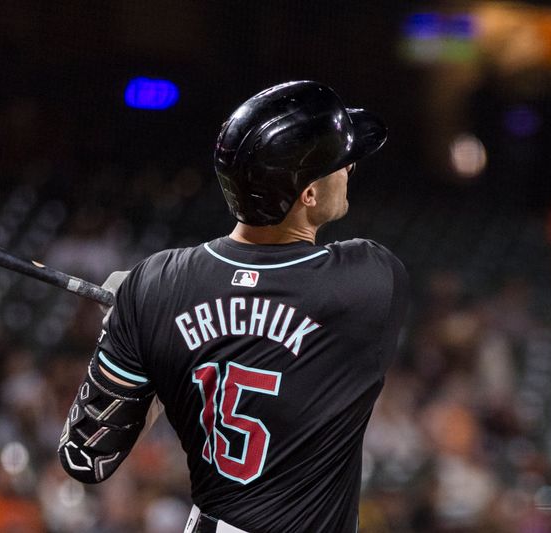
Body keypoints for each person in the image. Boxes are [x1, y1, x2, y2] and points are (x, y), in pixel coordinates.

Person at [57, 80, 409, 532]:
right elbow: (274, 299)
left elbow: (85, 456)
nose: (350, 167)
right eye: (338, 163)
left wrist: (142, 324)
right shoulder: (372, 280)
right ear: (307, 195)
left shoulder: (157, 283)